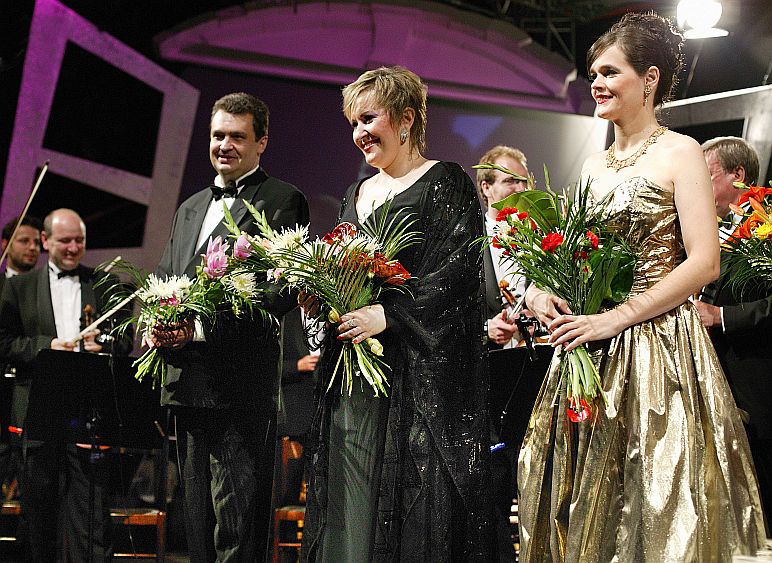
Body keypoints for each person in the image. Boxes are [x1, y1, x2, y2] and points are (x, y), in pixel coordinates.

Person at [518, 13, 766, 561]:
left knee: (657, 500)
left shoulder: (680, 152)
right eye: (592, 74)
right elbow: (575, 259)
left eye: (610, 72)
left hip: (659, 349)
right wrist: (541, 293)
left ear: (649, 79)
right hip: (590, 345)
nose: (597, 84)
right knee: (585, 505)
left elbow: (704, 263)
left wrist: (618, 315)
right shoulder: (592, 165)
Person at [301, 66, 495, 561]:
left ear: (406, 119)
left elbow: (458, 278)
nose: (359, 133)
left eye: (369, 118)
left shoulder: (444, 181)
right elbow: (341, 268)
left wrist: (387, 316)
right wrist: (321, 299)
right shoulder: (356, 193)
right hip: (352, 377)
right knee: (349, 500)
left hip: (412, 382)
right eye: (353, 122)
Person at [151, 92, 309, 562]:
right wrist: (158, 323)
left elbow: (278, 293)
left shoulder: (284, 200)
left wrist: (196, 329)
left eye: (237, 137)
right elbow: (164, 276)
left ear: (261, 142)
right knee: (195, 518)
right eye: (218, 135)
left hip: (240, 385)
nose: (225, 145)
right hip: (187, 383)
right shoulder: (190, 207)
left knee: (238, 519)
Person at [0, 208, 128, 562]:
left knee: (90, 508)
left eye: (80, 241)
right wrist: (47, 346)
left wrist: (105, 344)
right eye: (65, 240)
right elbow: (4, 343)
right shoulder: (18, 287)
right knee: (38, 508)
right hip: (36, 411)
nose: (73, 248)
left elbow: (124, 339)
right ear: (46, 241)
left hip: (88, 413)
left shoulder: (102, 283)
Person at [695, 136, 772, 526]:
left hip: (759, 395)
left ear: (738, 175)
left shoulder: (769, 223)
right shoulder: (708, 233)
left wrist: (720, 316)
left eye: (706, 178)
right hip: (718, 394)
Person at [0, 215, 43, 499]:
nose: (31, 248)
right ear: (5, 244)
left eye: (36, 242)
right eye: (23, 241)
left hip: (28, 391)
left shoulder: (43, 290)